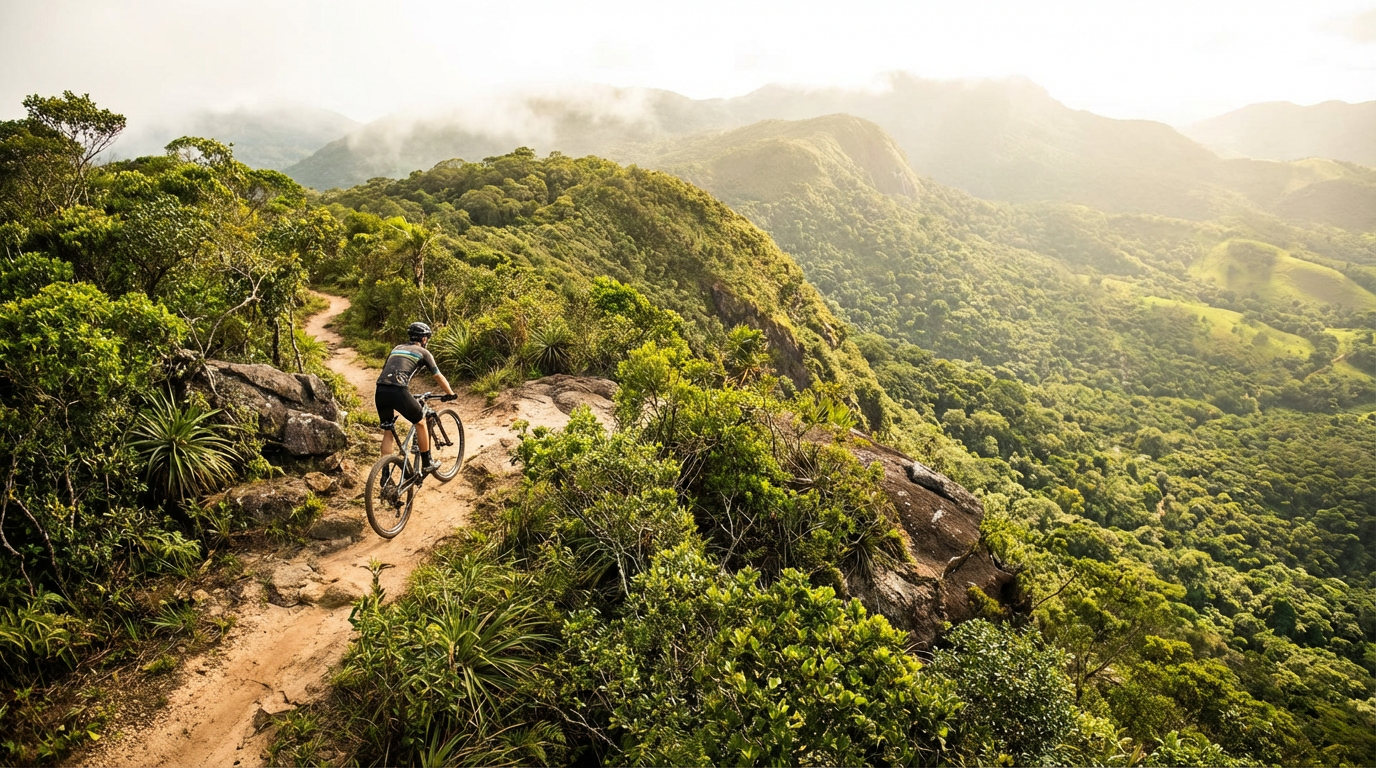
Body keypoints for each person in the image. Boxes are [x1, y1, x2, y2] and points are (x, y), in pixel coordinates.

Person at [375, 321, 455, 474]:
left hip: (380, 390)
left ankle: (385, 473)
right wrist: (450, 393)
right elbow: (437, 375)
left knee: (388, 431)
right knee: (421, 422)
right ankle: (427, 462)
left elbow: (389, 369)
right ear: (424, 339)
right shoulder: (424, 353)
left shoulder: (397, 348)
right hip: (398, 390)